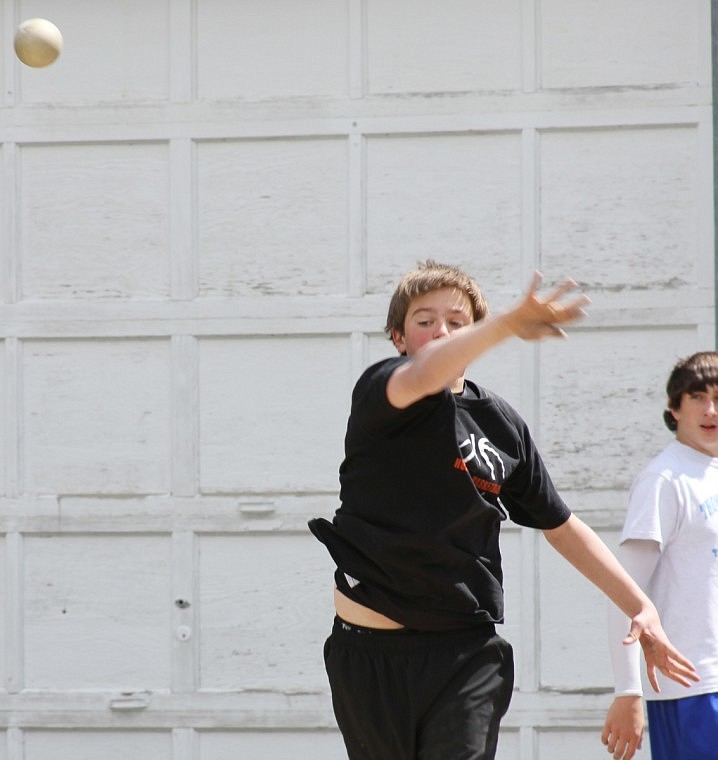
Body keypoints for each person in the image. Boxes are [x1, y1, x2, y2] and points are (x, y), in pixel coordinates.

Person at [308, 261, 698, 760]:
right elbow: (428, 371)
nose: (441, 331)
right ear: (398, 338)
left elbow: (560, 524)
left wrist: (641, 606)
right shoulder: (384, 391)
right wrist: (507, 324)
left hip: (465, 653)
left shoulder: (500, 424)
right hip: (370, 652)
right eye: (424, 320)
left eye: (456, 321)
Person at [602, 351, 718, 760]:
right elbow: (624, 592)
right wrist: (627, 691)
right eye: (698, 397)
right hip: (693, 688)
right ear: (674, 408)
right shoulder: (663, 480)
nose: (711, 410)